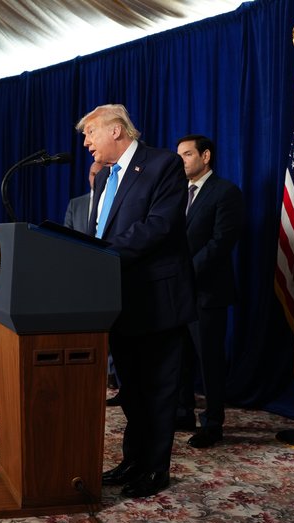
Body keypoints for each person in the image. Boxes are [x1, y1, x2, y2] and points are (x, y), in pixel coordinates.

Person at [76, 104, 195, 498]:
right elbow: (97, 229)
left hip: (157, 300)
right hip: (119, 300)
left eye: (90, 132)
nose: (86, 142)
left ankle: (155, 469)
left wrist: (100, 255)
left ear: (116, 130)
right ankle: (133, 461)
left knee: (159, 391)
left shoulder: (162, 164)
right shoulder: (103, 179)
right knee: (133, 391)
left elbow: (158, 227)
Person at [175, 134, 244, 448]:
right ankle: (183, 412)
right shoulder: (177, 193)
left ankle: (213, 423)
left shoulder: (225, 192)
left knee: (210, 360)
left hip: (207, 292)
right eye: (179, 155)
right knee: (180, 357)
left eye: (187, 154)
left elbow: (220, 242)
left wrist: (186, 272)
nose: (182, 161)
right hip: (177, 291)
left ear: (206, 156)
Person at [64, 161, 103, 235]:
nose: (95, 179)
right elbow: (66, 236)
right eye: (93, 174)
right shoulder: (75, 204)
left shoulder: (113, 202)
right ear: (88, 176)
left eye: (99, 174)